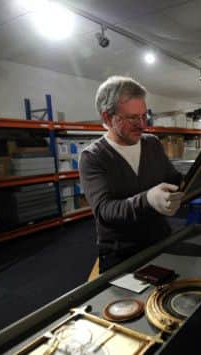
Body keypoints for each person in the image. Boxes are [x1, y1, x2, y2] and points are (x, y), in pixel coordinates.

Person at [79, 76, 184, 273]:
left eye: (144, 116)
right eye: (132, 118)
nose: (142, 124)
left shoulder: (151, 143)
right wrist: (148, 200)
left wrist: (199, 177)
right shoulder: (93, 157)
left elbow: (172, 178)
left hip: (159, 241)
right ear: (107, 118)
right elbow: (105, 211)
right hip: (121, 253)